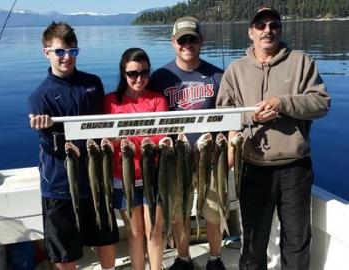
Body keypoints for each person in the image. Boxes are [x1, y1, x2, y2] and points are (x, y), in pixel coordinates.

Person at [216, 7, 331, 270]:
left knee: (296, 240)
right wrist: (251, 119)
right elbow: (225, 115)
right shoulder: (236, 70)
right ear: (250, 33)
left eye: (274, 24)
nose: (267, 30)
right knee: (254, 242)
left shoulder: (302, 62)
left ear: (280, 29)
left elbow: (321, 103)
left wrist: (282, 103)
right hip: (252, 168)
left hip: (295, 168)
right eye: (260, 25)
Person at [27, 22, 119, 270]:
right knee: (64, 252)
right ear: (46, 52)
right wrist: (43, 128)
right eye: (60, 52)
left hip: (96, 180)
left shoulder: (92, 83)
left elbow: (104, 126)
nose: (67, 57)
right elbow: (49, 146)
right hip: (59, 186)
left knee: (105, 236)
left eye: (72, 51)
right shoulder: (39, 96)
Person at [150, 16, 226, 270]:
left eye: (192, 39)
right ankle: (184, 259)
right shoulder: (160, 77)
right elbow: (149, 113)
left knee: (213, 211)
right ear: (173, 43)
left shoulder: (217, 75)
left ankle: (215, 258)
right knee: (177, 211)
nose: (187, 44)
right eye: (182, 40)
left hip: (209, 157)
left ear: (201, 41)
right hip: (174, 158)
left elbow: (230, 116)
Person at [104, 47, 169, 270]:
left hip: (154, 175)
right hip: (122, 178)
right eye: (133, 74)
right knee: (135, 233)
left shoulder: (158, 99)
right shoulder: (111, 102)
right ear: (123, 73)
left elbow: (160, 135)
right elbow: (105, 137)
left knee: (155, 231)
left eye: (144, 72)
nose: (139, 78)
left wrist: (122, 137)